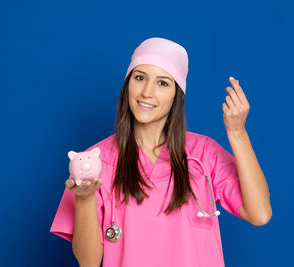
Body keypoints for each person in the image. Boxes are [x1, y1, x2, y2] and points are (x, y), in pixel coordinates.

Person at [50, 37, 272, 267]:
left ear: (177, 94)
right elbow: (89, 262)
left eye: (163, 83)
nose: (147, 92)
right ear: (128, 85)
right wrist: (84, 198)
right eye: (140, 78)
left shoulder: (203, 154)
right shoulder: (94, 161)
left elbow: (260, 213)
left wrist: (238, 134)